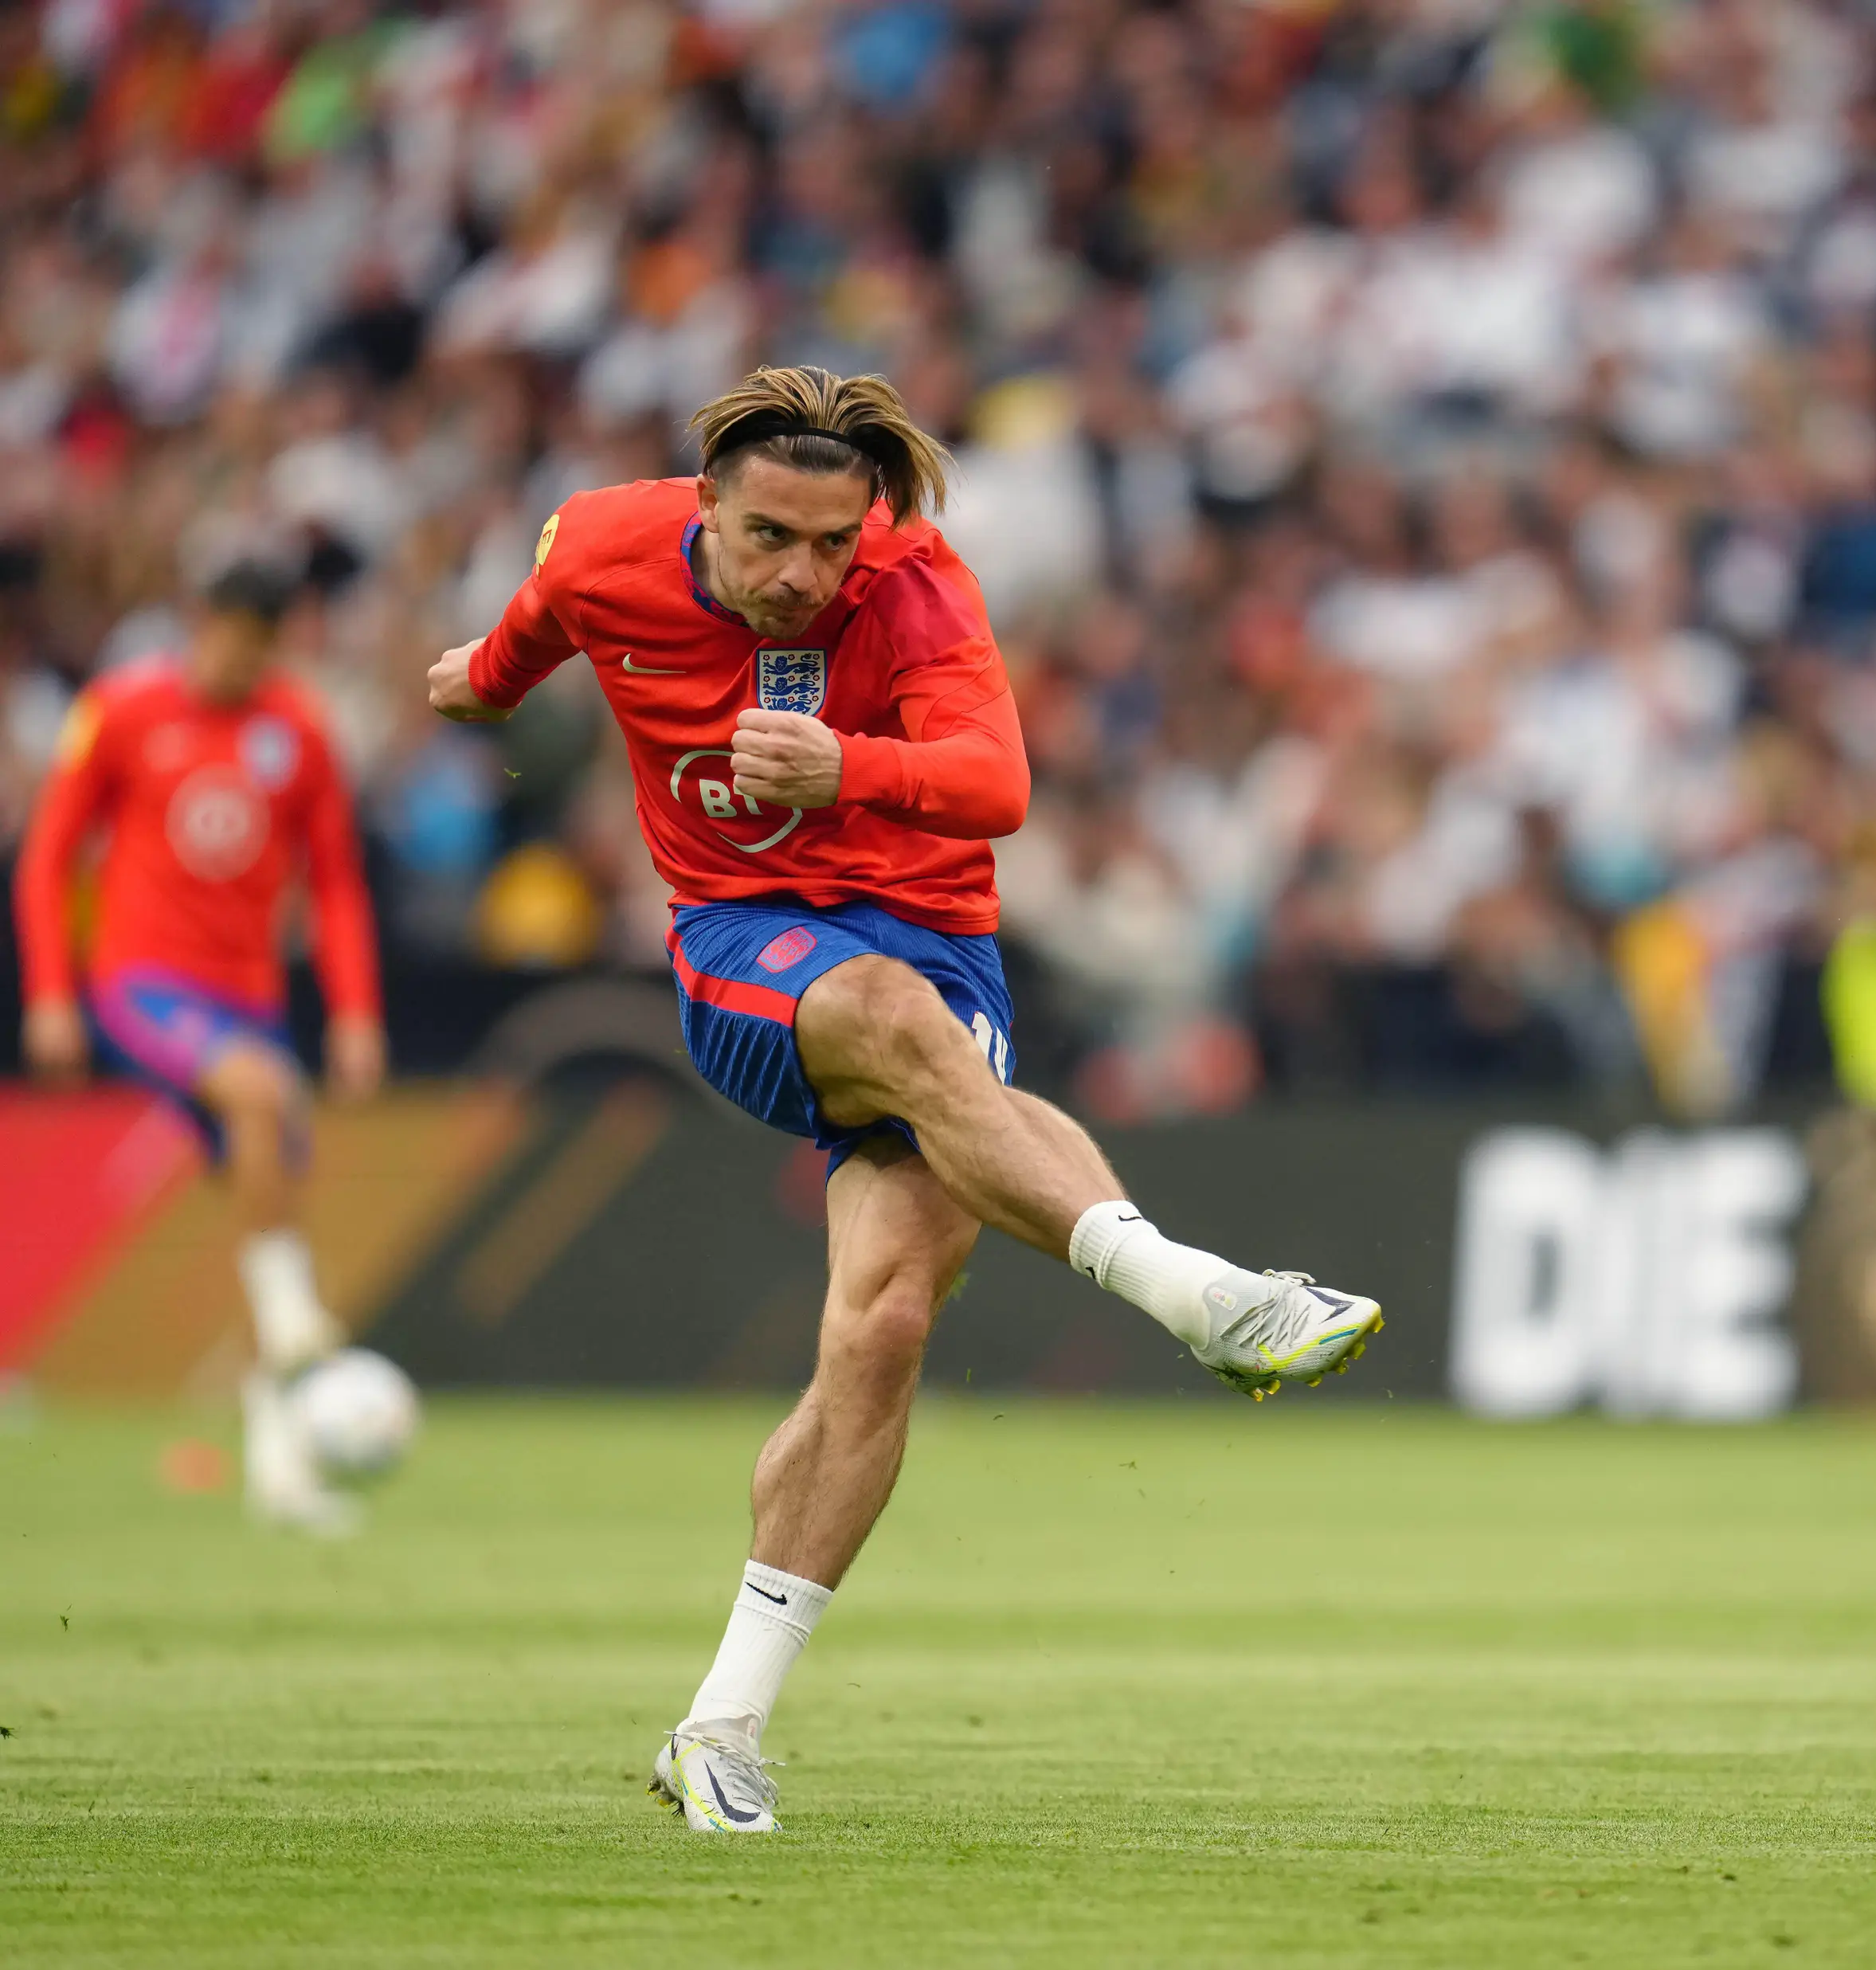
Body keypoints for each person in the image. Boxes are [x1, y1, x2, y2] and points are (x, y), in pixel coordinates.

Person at [423, 365, 1382, 1835]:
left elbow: (996, 783)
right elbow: (515, 649)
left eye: (833, 542)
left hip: (938, 940)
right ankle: (1201, 1295)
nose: (805, 574)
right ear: (707, 506)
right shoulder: (605, 540)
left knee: (877, 1330)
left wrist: (843, 766)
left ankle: (720, 1725)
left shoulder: (919, 580)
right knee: (889, 1020)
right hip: (746, 943)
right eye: (769, 540)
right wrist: (470, 683)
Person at [14, 562, 386, 1533]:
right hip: (141, 982)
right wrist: (52, 993)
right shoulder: (119, 711)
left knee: (277, 1196)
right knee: (263, 1100)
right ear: (197, 622)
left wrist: (354, 1011)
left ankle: (281, 1465)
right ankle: (298, 1324)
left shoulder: (298, 731)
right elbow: (49, 855)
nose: (240, 658)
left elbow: (336, 883)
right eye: (229, 636)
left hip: (249, 998)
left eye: (260, 643)